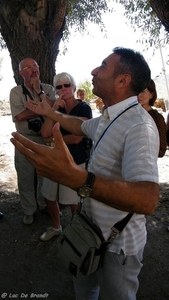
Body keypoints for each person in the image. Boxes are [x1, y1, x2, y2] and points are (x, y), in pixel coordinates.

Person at [10, 47, 159, 300]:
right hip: (89, 233)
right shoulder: (110, 116)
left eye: (102, 66)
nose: (94, 71)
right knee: (85, 290)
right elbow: (79, 125)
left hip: (117, 247)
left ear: (123, 81)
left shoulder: (139, 126)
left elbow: (148, 199)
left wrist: (77, 178)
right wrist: (49, 112)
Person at [39, 72, 93, 241]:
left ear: (73, 87)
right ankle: (56, 227)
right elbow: (45, 133)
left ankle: (76, 231)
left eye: (67, 85)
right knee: (49, 196)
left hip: (75, 161)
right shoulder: (58, 107)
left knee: (73, 201)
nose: (63, 89)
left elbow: (78, 137)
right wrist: (54, 109)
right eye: (59, 86)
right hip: (54, 159)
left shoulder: (84, 108)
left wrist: (54, 140)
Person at [9, 58, 57, 225]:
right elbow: (19, 116)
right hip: (25, 138)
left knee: (45, 175)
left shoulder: (48, 89)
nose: (33, 69)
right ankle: (29, 210)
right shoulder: (16, 92)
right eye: (28, 67)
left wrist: (38, 97)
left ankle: (45, 204)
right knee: (25, 176)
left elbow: (56, 109)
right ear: (21, 73)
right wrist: (44, 110)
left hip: (46, 139)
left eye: (35, 65)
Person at [138, 79, 167, 157]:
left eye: (142, 91)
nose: (138, 95)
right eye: (136, 91)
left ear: (151, 94)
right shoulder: (128, 115)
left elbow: (161, 150)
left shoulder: (157, 119)